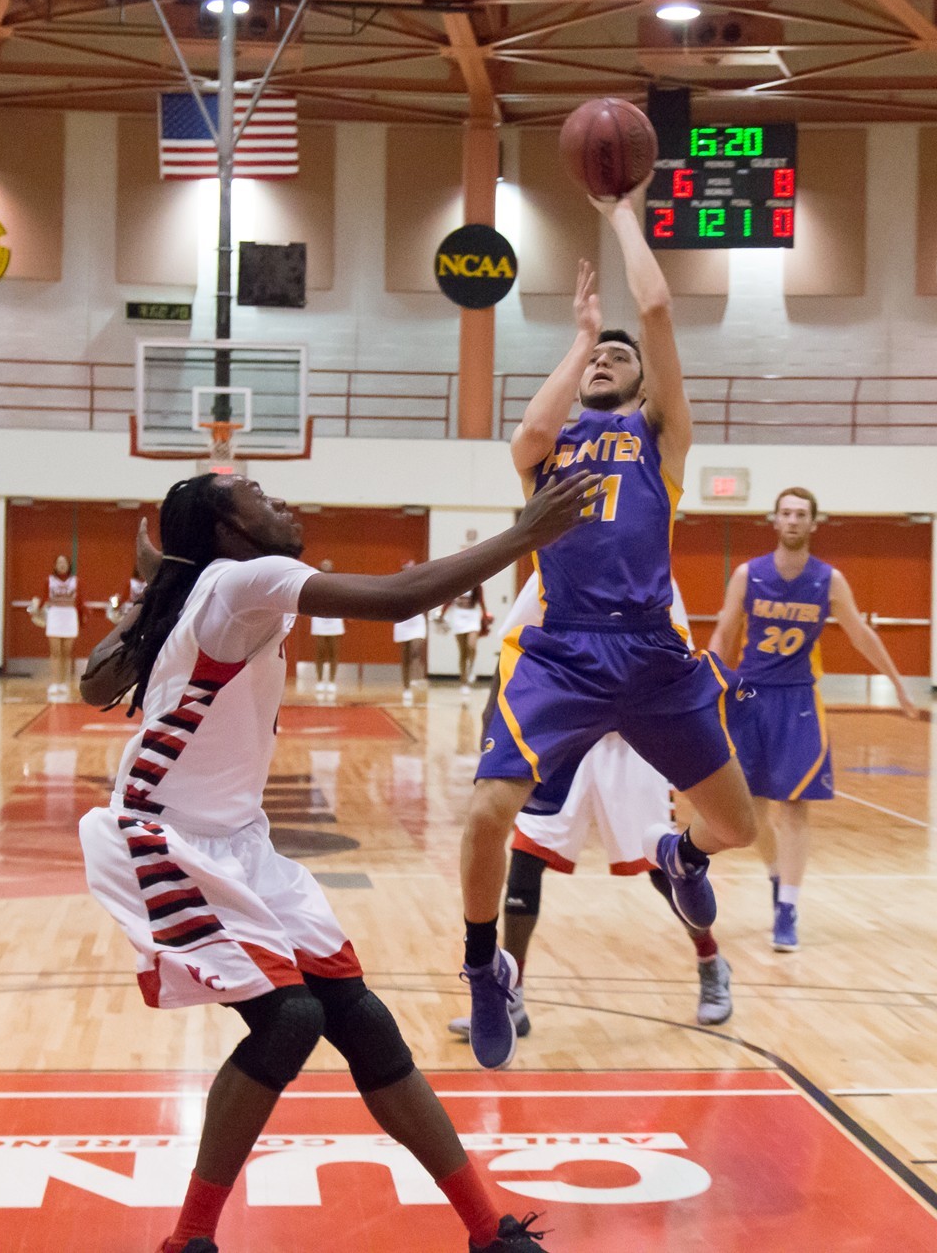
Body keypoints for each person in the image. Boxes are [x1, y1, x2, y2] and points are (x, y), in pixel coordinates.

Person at [76, 468, 595, 1253]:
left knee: (363, 1022)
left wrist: (161, 583)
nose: (279, 502)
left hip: (240, 842)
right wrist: (525, 536)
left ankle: (491, 1232)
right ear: (227, 530)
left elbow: (92, 685)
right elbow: (401, 598)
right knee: (289, 1019)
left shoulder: (215, 586)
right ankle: (188, 1240)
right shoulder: (242, 580)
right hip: (162, 834)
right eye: (257, 495)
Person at [461, 201, 760, 1073]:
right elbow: (527, 433)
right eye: (597, 359)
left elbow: (657, 308)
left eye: (617, 359)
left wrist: (622, 213)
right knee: (486, 816)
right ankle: (485, 970)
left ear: (641, 386)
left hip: (653, 655)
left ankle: (682, 856)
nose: (604, 363)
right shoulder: (549, 452)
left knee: (736, 828)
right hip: (565, 651)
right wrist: (582, 336)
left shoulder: (659, 442)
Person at [450, 571, 733, 1042]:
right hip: (565, 732)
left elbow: (681, 656)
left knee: (663, 869)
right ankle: (510, 997)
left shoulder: (655, 570)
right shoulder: (555, 562)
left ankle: (711, 961)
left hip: (633, 743)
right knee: (526, 856)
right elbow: (514, 644)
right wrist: (491, 717)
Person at [709, 486, 923, 952]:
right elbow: (724, 633)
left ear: (813, 523)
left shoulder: (829, 580)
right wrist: (706, 686)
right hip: (750, 696)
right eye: (785, 513)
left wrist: (900, 685)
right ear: (774, 520)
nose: (792, 520)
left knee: (795, 807)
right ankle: (776, 876)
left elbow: (861, 634)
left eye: (800, 514)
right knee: (751, 814)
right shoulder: (748, 575)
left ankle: (787, 907)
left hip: (799, 700)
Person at [36, 553, 80, 702]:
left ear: (68, 565)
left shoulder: (76, 581)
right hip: (54, 615)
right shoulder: (49, 581)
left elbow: (80, 601)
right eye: (59, 562)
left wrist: (84, 617)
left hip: (70, 616)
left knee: (66, 652)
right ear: (55, 565)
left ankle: (63, 683)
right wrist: (37, 610)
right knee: (55, 652)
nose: (62, 565)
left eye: (64, 562)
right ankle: (54, 683)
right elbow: (43, 599)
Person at [438, 580, 493, 694]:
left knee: (471, 646)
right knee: (463, 652)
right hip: (458, 615)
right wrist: (442, 614)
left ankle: (471, 669)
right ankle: (464, 682)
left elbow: (481, 601)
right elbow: (448, 601)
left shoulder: (477, 585)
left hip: (472, 615)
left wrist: (485, 616)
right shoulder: (455, 584)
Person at [307, 558, 345, 697]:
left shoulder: (338, 584)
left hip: (334, 620)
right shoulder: (314, 585)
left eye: (328, 569)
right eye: (324, 569)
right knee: (320, 651)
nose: (326, 571)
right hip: (319, 620)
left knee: (334, 651)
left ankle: (332, 681)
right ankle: (319, 680)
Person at [394, 559, 429, 706]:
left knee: (416, 649)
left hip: (417, 621)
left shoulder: (421, 585)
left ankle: (417, 676)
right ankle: (406, 687)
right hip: (403, 620)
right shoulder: (396, 586)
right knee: (405, 656)